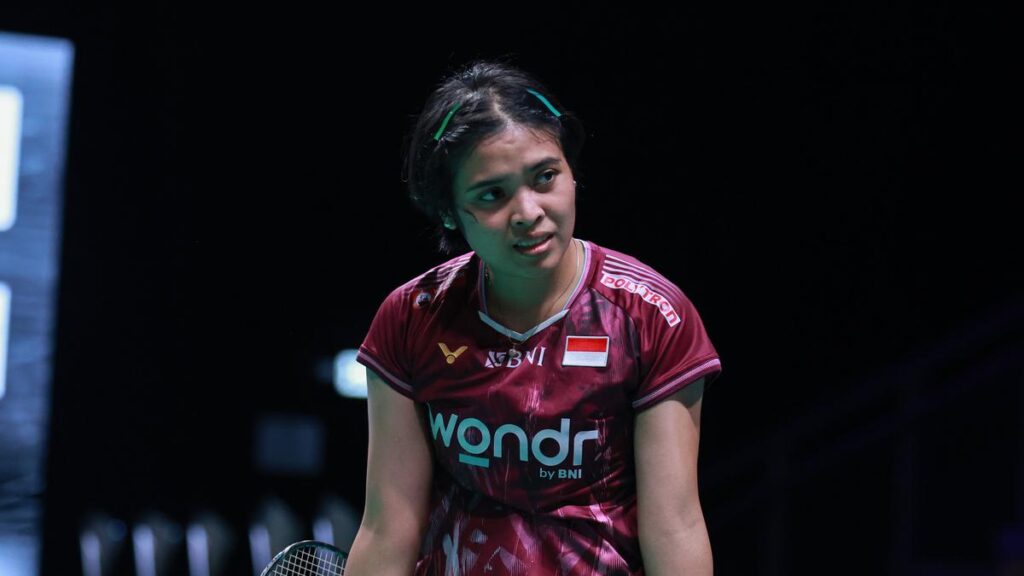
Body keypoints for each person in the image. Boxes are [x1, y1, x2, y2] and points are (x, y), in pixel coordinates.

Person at [345, 59, 723, 576]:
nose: (528, 212)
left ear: (571, 171)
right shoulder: (412, 318)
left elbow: (675, 525)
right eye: (492, 194)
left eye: (545, 177)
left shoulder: (651, 316)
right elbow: (387, 527)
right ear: (449, 211)